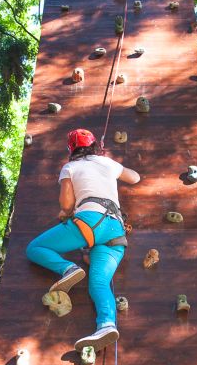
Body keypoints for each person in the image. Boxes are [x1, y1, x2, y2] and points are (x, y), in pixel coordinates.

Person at [26, 128, 140, 352]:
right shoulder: (106, 162)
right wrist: (108, 163)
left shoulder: (70, 167)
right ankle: (106, 325)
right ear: (95, 145)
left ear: (71, 150)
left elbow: (67, 204)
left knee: (35, 247)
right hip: (116, 231)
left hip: (90, 222)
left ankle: (68, 269)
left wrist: (66, 213)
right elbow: (135, 177)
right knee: (98, 283)